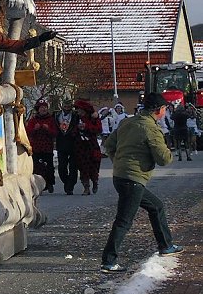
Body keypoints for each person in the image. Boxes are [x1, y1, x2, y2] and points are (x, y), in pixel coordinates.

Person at [100, 92, 183, 273]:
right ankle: (108, 261)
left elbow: (109, 145)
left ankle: (166, 245)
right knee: (123, 220)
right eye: (164, 108)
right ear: (159, 110)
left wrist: (119, 162)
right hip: (133, 179)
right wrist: (169, 151)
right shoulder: (151, 128)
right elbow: (163, 159)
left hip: (121, 176)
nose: (165, 111)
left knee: (156, 206)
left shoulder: (127, 122)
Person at [25, 99, 58, 193]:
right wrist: (35, 129)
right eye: (41, 107)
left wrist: (48, 129)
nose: (44, 109)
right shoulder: (33, 120)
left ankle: (50, 183)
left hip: (47, 148)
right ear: (38, 109)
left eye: (45, 107)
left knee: (49, 167)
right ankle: (38, 185)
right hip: (36, 148)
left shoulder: (51, 120)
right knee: (37, 167)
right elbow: (28, 132)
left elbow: (55, 133)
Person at [73, 99, 102, 195]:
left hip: (92, 145)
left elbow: (99, 129)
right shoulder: (75, 118)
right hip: (80, 146)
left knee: (93, 166)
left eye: (79, 109)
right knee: (83, 167)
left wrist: (87, 127)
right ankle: (86, 187)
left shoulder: (93, 118)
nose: (78, 111)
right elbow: (71, 130)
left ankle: (95, 181)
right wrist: (77, 129)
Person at [55, 100, 79, 195]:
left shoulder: (75, 115)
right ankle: (66, 182)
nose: (67, 108)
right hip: (61, 143)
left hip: (73, 143)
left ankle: (70, 186)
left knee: (73, 167)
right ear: (62, 106)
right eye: (65, 106)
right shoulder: (56, 115)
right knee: (62, 167)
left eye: (69, 106)